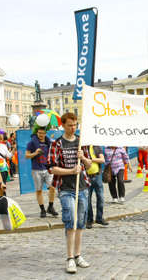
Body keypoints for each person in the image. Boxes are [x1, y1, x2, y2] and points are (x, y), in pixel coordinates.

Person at [48, 112, 92, 274]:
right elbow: (52, 168)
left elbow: (89, 166)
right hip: (66, 189)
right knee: (70, 221)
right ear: (63, 126)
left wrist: (84, 159)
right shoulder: (57, 144)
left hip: (82, 187)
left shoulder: (81, 142)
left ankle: (78, 255)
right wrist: (71, 170)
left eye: (75, 125)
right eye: (69, 125)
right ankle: (70, 258)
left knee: (80, 222)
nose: (73, 128)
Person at [25, 128, 58, 218]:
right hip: (36, 169)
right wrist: (35, 153)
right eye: (39, 133)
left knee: (52, 188)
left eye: (43, 133)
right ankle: (42, 209)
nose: (41, 135)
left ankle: (50, 207)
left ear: (45, 133)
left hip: (48, 168)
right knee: (39, 190)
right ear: (37, 133)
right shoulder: (31, 143)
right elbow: (27, 156)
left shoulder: (49, 142)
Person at [86, 145, 108, 229]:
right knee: (87, 200)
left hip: (97, 175)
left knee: (101, 198)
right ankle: (89, 220)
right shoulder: (82, 147)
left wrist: (91, 159)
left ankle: (99, 218)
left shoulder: (96, 147)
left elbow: (102, 160)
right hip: (87, 177)